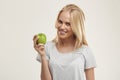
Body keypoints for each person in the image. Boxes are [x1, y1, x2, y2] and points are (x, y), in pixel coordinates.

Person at [33, 4, 97, 80]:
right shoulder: (48, 47)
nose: (62, 27)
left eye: (68, 24)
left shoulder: (85, 51)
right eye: (60, 22)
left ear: (76, 27)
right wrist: (43, 56)